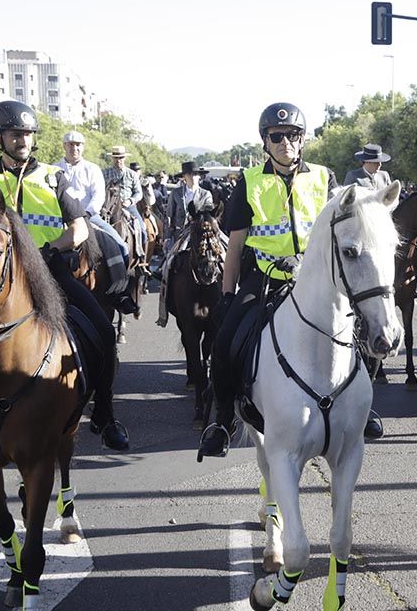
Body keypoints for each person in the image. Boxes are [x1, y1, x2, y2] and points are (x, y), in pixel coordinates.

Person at [0, 100, 130, 461]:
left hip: (49, 271)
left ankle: (106, 415)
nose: (23, 141)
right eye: (16, 134)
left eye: (28, 135)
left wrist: (51, 248)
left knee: (103, 329)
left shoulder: (53, 176)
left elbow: (78, 227)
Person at [199, 102, 387, 458]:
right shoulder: (249, 181)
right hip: (265, 278)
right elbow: (236, 247)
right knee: (224, 343)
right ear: (265, 142)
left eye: (294, 135)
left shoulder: (323, 176)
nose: (286, 142)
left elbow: (341, 227)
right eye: (277, 136)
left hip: (316, 277)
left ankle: (363, 404)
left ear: (303, 140)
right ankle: (222, 421)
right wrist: (227, 294)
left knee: (363, 327)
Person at [55, 131, 136, 313]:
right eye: (70, 144)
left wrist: (85, 215)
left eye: (78, 145)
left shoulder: (92, 169)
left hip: (89, 216)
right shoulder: (53, 169)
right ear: (64, 146)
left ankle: (120, 293)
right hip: (60, 220)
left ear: (82, 147)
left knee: (121, 246)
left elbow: (98, 195)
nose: (74, 148)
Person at [157, 161, 209, 327]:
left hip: (200, 234)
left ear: (199, 177)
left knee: (223, 250)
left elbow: (209, 215)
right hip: (180, 234)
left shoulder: (205, 194)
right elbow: (169, 216)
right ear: (184, 177)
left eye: (195, 175)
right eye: (189, 175)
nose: (193, 178)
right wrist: (166, 237)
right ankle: (165, 302)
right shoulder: (176, 193)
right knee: (169, 263)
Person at [103, 145, 148, 270]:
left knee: (143, 231)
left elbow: (139, 193)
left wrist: (130, 201)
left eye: (121, 157)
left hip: (129, 206)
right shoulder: (105, 173)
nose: (119, 160)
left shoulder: (132, 174)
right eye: (116, 158)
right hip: (109, 208)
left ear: (125, 158)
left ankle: (141, 261)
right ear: (112, 158)